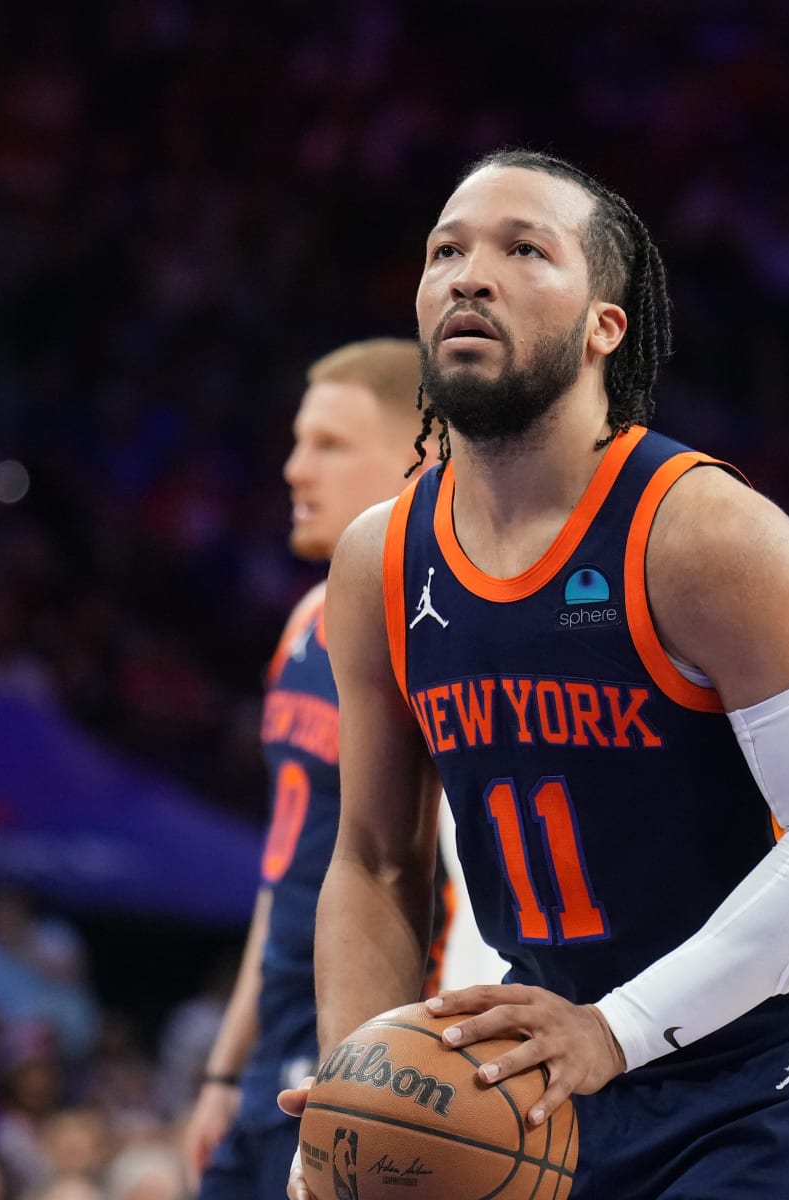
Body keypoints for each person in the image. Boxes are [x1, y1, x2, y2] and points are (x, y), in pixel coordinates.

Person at [284, 150, 789, 1199]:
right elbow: (376, 861)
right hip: (543, 1074)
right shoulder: (380, 561)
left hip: (769, 1071)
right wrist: (359, 1093)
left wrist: (616, 1029)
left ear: (603, 327)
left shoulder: (706, 535)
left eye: (524, 250)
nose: (470, 276)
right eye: (446, 251)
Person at [182, 340, 502, 1199]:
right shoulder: (303, 624)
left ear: (421, 459)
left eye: (328, 445)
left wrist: (435, 1081)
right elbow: (280, 873)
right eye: (298, 442)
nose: (295, 469)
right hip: (275, 1059)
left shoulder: (447, 636)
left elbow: (472, 887)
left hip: (383, 1062)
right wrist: (225, 1069)